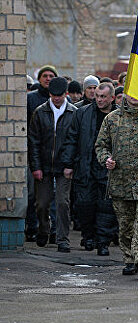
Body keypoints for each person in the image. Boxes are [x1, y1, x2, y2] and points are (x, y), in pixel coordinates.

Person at [95, 94, 138, 278]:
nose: (135, 96)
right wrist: (106, 159)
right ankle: (130, 259)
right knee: (126, 225)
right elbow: (101, 145)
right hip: (120, 183)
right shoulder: (113, 118)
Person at [61, 82, 119, 256]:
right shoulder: (83, 113)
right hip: (86, 166)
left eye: (103, 97)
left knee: (106, 207)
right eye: (97, 96)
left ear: (112, 98)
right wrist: (68, 164)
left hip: (109, 169)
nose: (99, 100)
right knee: (84, 205)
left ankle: (103, 242)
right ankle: (88, 236)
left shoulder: (118, 116)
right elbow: (72, 138)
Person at [28, 77, 77, 252]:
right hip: (44, 165)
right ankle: (44, 229)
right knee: (41, 203)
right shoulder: (40, 112)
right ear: (49, 94)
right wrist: (36, 167)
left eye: (60, 95)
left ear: (66, 94)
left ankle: (62, 239)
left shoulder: (73, 112)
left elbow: (74, 141)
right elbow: (34, 141)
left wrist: (70, 164)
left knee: (63, 202)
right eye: (53, 95)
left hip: (64, 165)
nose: (57, 98)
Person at [25, 65, 59, 242]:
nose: (48, 79)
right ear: (39, 79)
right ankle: (34, 226)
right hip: (37, 156)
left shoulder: (60, 103)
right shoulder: (31, 100)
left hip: (57, 158)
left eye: (51, 76)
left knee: (57, 199)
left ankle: (52, 231)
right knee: (35, 198)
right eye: (45, 76)